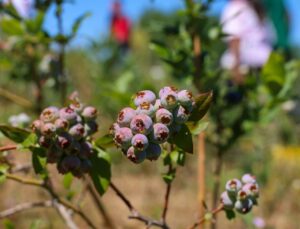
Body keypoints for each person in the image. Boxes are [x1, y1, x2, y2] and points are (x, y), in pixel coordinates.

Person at [220, 0, 273, 84]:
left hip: (261, 67)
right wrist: (236, 67)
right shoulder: (236, 8)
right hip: (244, 66)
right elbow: (234, 38)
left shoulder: (254, 10)